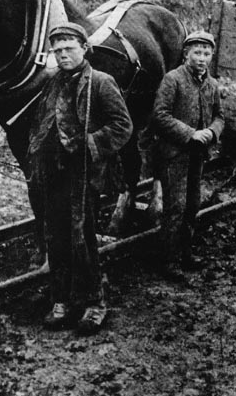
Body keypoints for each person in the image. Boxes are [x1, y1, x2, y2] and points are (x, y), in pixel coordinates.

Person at [28, 22, 133, 334]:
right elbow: (42, 121)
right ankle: (61, 300)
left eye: (68, 49)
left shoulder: (101, 82)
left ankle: (94, 302)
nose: (62, 55)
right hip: (54, 173)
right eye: (57, 50)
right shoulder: (52, 82)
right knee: (54, 236)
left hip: (84, 173)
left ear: (84, 49)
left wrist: (86, 145)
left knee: (81, 236)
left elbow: (122, 126)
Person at [152, 30, 224, 281]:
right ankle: (168, 261)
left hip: (198, 154)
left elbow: (219, 116)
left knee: (192, 204)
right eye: (197, 53)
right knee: (176, 207)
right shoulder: (173, 79)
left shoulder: (212, 84)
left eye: (206, 53)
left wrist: (212, 133)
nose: (202, 58)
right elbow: (159, 116)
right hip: (175, 153)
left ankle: (185, 252)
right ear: (186, 54)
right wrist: (191, 133)